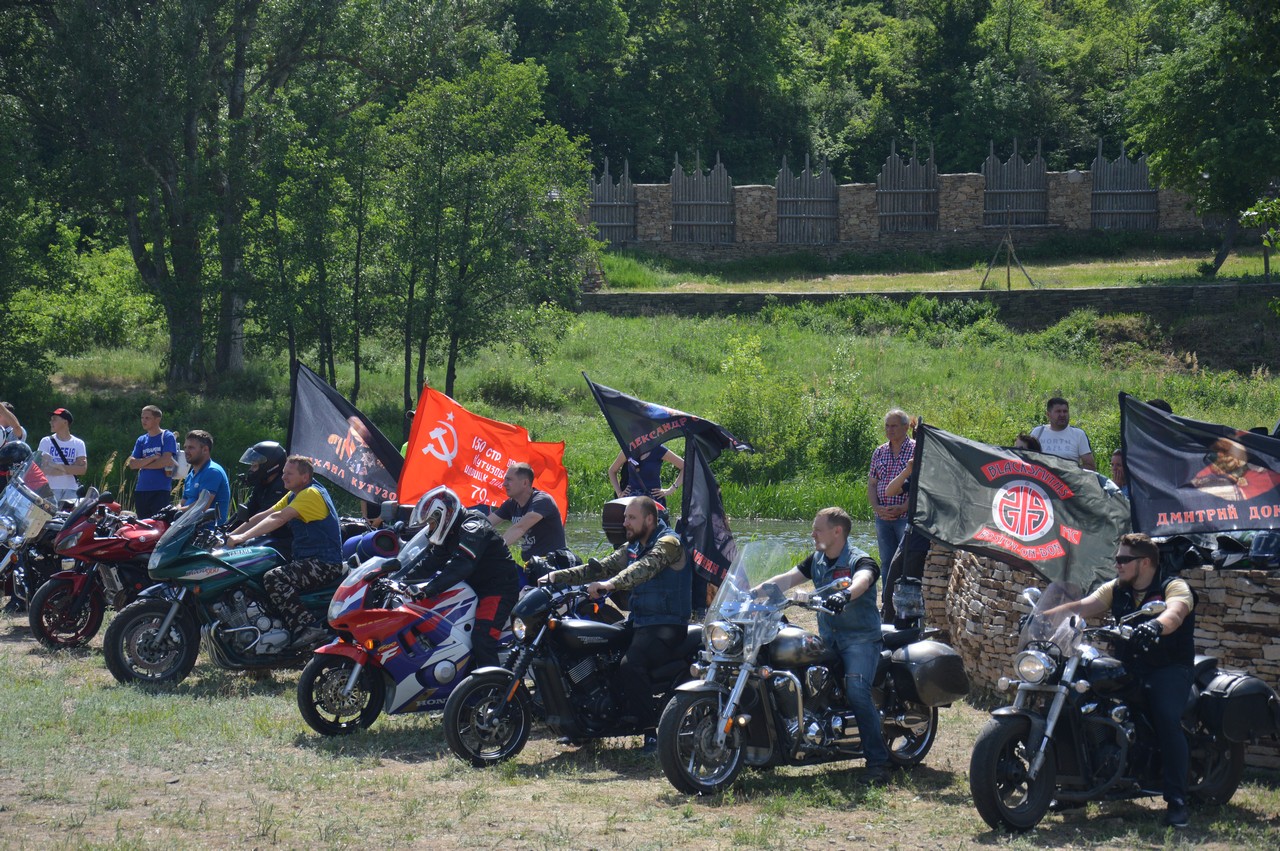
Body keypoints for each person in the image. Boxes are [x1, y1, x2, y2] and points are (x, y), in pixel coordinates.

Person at [1043, 532, 1194, 827]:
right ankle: (1075, 788)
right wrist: (1044, 617)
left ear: (1145, 562)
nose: (1118, 565)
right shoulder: (1117, 588)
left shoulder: (1173, 586)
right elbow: (1082, 606)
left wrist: (1156, 625)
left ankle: (1177, 800)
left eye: (1124, 559)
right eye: (1117, 559)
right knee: (1078, 702)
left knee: (1165, 717)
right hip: (1129, 665)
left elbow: (1176, 613)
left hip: (1168, 668)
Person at [752, 507, 891, 784]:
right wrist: (752, 593)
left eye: (818, 529)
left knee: (856, 689)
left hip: (859, 640)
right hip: (829, 639)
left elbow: (864, 579)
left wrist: (846, 594)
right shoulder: (817, 559)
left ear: (837, 531)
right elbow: (787, 578)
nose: (812, 534)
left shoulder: (860, 560)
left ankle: (878, 763)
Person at [541, 496, 689, 749]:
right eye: (625, 518)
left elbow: (643, 568)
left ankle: (650, 731)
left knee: (631, 665)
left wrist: (610, 585)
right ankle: (588, 722)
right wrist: (556, 576)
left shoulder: (669, 543)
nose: (625, 523)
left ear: (649, 519)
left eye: (631, 518)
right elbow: (600, 568)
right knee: (595, 648)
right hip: (639, 622)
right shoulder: (633, 546)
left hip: (666, 625)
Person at [392, 486, 520, 670]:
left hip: (497, 589)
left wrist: (428, 589)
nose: (430, 528)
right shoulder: (450, 532)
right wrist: (399, 582)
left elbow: (462, 565)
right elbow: (430, 563)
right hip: (473, 588)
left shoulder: (473, 527)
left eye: (431, 523)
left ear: (443, 515)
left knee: (482, 640)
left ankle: (494, 686)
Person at [226, 455, 343, 649]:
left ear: (304, 477)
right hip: (308, 560)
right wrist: (229, 536)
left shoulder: (311, 493)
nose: (283, 477)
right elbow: (265, 515)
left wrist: (243, 538)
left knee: (275, 578)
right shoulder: (294, 494)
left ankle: (307, 628)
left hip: (325, 563)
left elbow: (279, 518)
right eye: (283, 473)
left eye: (289, 473)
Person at [879, 456, 929, 627]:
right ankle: (888, 622)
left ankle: (906, 626)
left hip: (924, 541)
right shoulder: (918, 473)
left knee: (911, 587)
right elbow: (890, 491)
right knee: (892, 583)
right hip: (909, 536)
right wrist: (908, 471)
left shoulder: (939, 476)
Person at [484, 462, 568, 562]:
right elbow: (485, 523)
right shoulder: (511, 504)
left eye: (509, 479)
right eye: (505, 479)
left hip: (553, 563)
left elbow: (520, 528)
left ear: (525, 483)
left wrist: (493, 550)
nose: (504, 484)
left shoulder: (542, 500)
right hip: (532, 564)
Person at [868, 409, 914, 589]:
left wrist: (904, 507)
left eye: (894, 426)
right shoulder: (879, 452)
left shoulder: (915, 450)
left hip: (905, 516)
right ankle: (887, 600)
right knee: (886, 560)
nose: (889, 430)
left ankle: (903, 597)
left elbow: (919, 486)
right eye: (887, 426)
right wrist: (876, 507)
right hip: (882, 517)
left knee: (905, 560)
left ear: (906, 427)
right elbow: (872, 484)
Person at [126, 405, 177, 519]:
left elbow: (165, 461)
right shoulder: (141, 440)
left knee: (159, 523)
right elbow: (132, 464)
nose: (143, 421)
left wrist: (143, 464)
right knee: (143, 524)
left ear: (157, 419)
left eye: (147, 418)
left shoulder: (167, 436)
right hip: (141, 489)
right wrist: (152, 458)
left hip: (160, 490)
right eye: (142, 418)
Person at [178, 430, 231, 524]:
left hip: (208, 530)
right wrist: (173, 509)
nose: (186, 451)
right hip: (187, 527)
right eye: (185, 447)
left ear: (205, 450)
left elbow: (202, 506)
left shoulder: (212, 471)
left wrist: (178, 511)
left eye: (191, 448)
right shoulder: (191, 475)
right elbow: (183, 502)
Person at [1030, 397, 1095, 470]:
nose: (1062, 415)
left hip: (1069, 477)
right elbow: (1026, 459)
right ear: (1048, 414)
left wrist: (1068, 471)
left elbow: (1090, 466)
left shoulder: (1078, 435)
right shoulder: (1038, 432)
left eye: (1065, 411)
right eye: (1058, 411)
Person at [39, 408, 87, 503]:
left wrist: (54, 465)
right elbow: (43, 468)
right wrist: (72, 468)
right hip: (50, 490)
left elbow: (82, 470)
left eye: (54, 419)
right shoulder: (46, 441)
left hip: (71, 490)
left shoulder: (78, 443)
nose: (50, 422)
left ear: (65, 422)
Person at [608, 447, 685, 505]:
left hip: (654, 501)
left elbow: (684, 467)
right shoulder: (629, 449)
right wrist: (619, 493)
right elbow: (612, 471)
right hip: (632, 501)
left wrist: (671, 489)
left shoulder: (658, 449)